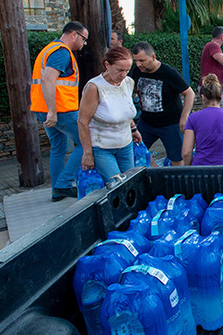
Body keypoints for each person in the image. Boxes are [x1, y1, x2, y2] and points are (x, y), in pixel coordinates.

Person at [30, 21, 87, 201]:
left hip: (42, 108)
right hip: (61, 110)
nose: (84, 44)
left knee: (58, 147)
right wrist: (53, 111)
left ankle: (56, 191)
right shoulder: (62, 52)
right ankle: (63, 184)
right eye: (84, 39)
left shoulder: (48, 49)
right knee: (86, 142)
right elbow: (48, 80)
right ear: (74, 35)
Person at [77, 46, 141, 184]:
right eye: (119, 70)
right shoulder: (94, 87)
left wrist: (133, 129)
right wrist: (87, 153)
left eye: (127, 70)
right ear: (107, 65)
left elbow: (124, 109)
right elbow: (83, 121)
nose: (123, 75)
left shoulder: (128, 82)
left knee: (131, 183)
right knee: (117, 185)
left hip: (125, 144)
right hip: (102, 147)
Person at [131, 41, 195, 166]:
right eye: (136, 61)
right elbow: (132, 91)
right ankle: (157, 175)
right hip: (147, 122)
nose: (139, 64)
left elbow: (189, 93)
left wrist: (184, 117)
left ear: (153, 57)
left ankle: (178, 183)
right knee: (135, 151)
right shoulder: (136, 71)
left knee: (176, 158)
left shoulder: (168, 72)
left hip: (170, 124)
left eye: (142, 60)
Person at [182, 74, 223, 166]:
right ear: (221, 96)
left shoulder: (193, 118)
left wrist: (191, 167)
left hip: (201, 170)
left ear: (203, 98)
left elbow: (186, 152)